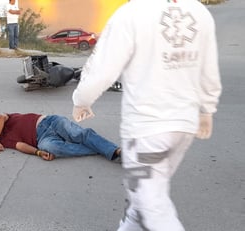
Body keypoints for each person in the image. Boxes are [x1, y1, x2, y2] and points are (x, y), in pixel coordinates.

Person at [71, 0, 222, 230]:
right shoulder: (199, 12)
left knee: (154, 207)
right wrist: (207, 109)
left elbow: (102, 69)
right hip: (184, 127)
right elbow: (209, 68)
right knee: (141, 204)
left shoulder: (131, 14)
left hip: (147, 134)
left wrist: (81, 101)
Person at [0, 113, 121, 162]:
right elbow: (20, 146)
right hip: (42, 139)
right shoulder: (4, 140)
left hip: (48, 122)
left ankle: (114, 150)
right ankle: (104, 149)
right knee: (52, 148)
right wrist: (38, 153)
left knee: (77, 134)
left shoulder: (2, 119)